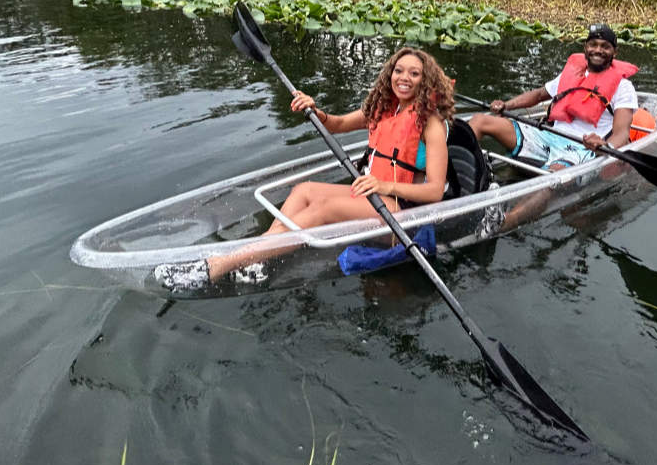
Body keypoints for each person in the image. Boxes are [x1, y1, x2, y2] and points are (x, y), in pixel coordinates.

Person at [155, 47, 456, 290]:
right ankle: (255, 258)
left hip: (403, 219)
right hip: (374, 200)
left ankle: (218, 266)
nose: (404, 78)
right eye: (399, 71)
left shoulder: (430, 123)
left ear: (425, 80)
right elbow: (336, 124)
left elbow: (433, 193)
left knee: (321, 210)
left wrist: (384, 186)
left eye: (414, 73)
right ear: (390, 74)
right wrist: (314, 109)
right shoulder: (385, 109)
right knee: (304, 191)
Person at [466, 24, 644, 238]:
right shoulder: (572, 74)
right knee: (480, 121)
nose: (598, 50)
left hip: (579, 148)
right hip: (548, 137)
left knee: (552, 179)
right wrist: (507, 105)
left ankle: (500, 225)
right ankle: (455, 181)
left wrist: (606, 147)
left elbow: (622, 133)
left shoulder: (623, 87)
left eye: (605, 46)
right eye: (593, 44)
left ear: (614, 52)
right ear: (585, 47)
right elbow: (540, 94)